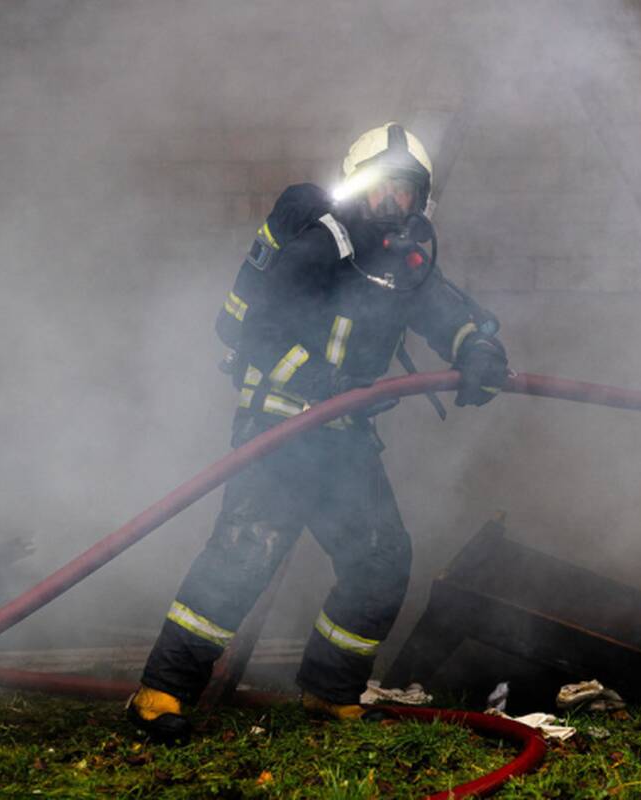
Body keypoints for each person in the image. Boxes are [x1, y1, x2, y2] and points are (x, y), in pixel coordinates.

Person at [128, 123, 510, 744]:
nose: (393, 205)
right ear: (359, 185)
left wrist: (480, 350)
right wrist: (317, 383)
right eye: (382, 191)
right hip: (278, 427)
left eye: (406, 194)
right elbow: (254, 331)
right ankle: (161, 693)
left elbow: (450, 315)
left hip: (342, 438)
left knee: (381, 560)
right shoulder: (320, 242)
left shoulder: (406, 264)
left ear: (421, 201)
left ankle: (330, 690)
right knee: (242, 555)